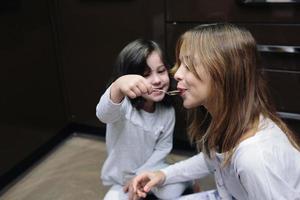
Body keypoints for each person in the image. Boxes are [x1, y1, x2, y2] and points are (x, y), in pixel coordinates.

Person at [131, 23, 300, 200]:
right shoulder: (229, 121)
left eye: (188, 65)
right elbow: (212, 160)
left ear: (225, 74)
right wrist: (163, 175)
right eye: (180, 64)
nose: (176, 73)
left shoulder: (255, 159)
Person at [96, 39, 189, 200]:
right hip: (121, 179)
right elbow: (104, 115)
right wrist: (117, 87)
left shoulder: (167, 112)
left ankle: (188, 180)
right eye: (146, 75)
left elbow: (163, 148)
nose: (157, 80)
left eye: (161, 71)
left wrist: (141, 176)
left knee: (170, 192)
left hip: (152, 170)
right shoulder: (123, 106)